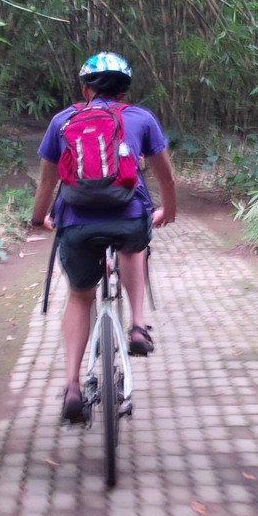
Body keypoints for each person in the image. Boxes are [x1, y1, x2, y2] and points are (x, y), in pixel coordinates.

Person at [30, 52, 177, 422]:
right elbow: (165, 177)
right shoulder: (141, 118)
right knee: (134, 246)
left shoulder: (62, 120)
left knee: (80, 297)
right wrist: (169, 211)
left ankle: (72, 387)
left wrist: (38, 218)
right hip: (128, 218)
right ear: (125, 92)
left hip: (76, 224)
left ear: (85, 89)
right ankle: (139, 326)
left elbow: (48, 181)